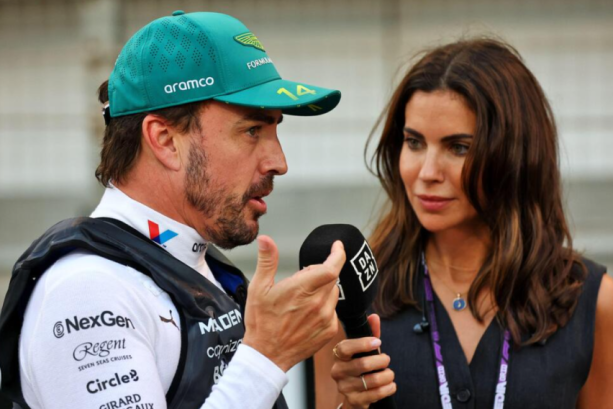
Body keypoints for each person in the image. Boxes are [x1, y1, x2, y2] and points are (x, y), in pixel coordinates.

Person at [0, 11, 346, 409]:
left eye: (274, 129)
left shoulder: (188, 262)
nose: (279, 162)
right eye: (253, 130)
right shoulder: (87, 292)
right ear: (164, 140)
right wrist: (266, 358)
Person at [316, 38, 613, 408]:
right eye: (414, 142)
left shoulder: (592, 301)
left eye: (458, 147)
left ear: (514, 155)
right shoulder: (349, 295)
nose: (427, 172)